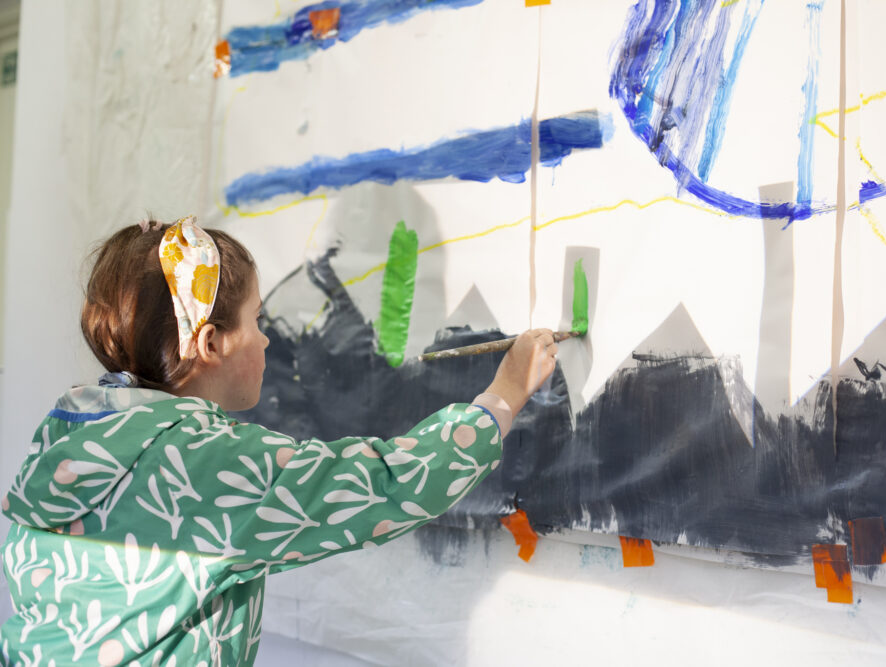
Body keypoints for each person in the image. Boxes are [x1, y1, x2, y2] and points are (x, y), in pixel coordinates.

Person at [0, 217, 557, 666]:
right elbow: (383, 484)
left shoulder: (69, 433)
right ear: (210, 342)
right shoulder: (198, 468)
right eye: (257, 318)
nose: (268, 337)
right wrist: (504, 394)